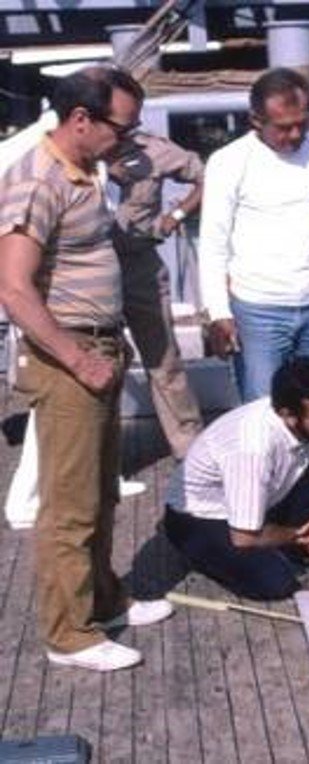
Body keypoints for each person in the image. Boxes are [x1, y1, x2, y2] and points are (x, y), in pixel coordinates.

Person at [0, 66, 173, 672]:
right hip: (67, 359)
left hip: (98, 349)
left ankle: (104, 599)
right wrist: (77, 359)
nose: (127, 140)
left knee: (99, 493)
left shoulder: (84, 172)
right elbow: (13, 289)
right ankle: (69, 635)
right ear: (80, 119)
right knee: (69, 506)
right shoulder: (37, 182)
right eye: (121, 128)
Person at [199, 67, 309, 403]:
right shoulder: (228, 162)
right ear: (256, 121)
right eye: (283, 127)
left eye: (302, 123)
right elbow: (213, 244)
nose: (294, 135)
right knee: (264, 411)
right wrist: (218, 313)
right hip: (258, 310)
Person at [164, 357, 309, 599]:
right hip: (203, 518)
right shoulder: (252, 448)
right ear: (288, 415)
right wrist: (304, 534)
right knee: (275, 583)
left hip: (268, 495)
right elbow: (244, 537)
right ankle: (205, 554)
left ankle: (289, 541)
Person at [108, 130, 204, 459]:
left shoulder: (154, 149)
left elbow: (207, 177)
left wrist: (175, 216)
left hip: (140, 265)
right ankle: (99, 451)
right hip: (88, 268)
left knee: (164, 359)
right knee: (98, 357)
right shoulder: (77, 150)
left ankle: (190, 448)